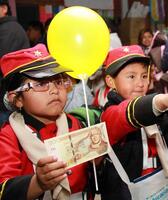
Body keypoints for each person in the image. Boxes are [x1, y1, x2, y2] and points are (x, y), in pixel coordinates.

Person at [99, 45, 168, 199]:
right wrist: (162, 101)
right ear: (111, 81)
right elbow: (126, 114)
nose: (141, 83)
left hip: (161, 189)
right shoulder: (109, 115)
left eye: (143, 76)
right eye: (131, 76)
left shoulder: (158, 114)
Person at [0, 44, 101, 200]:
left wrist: (97, 161)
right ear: (17, 99)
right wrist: (38, 183)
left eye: (59, 82)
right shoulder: (8, 136)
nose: (54, 90)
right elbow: (4, 190)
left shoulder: (74, 123)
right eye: (41, 84)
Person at [0, 0, 30, 125]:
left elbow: (3, 62)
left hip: (8, 94)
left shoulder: (8, 29)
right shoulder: (8, 27)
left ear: (4, 8)